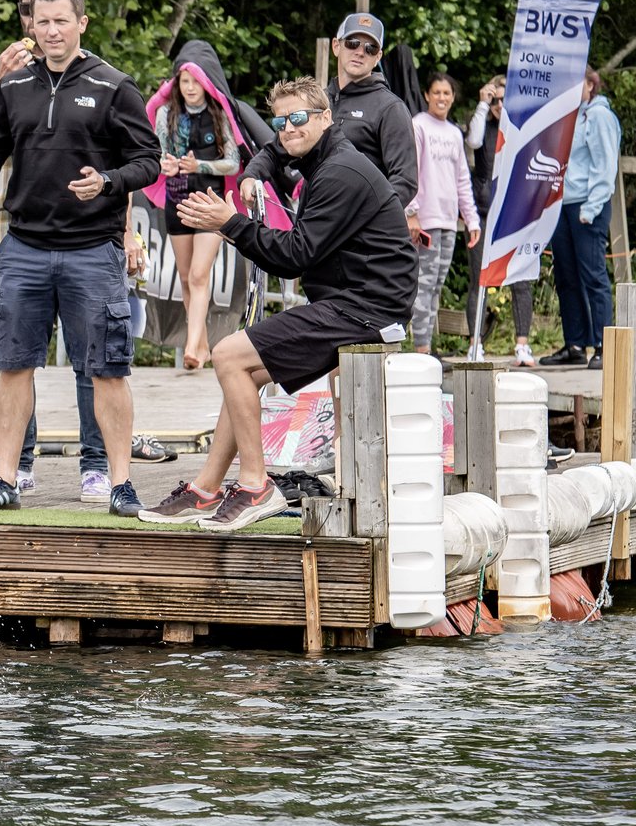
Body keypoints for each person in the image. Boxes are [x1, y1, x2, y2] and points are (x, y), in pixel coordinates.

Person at [140, 78, 416, 530]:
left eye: (299, 119)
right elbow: (271, 151)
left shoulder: (340, 173)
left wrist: (230, 223)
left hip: (366, 310)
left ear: (327, 118)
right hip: (353, 303)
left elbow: (294, 257)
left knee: (228, 353)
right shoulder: (318, 158)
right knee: (241, 373)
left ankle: (256, 485)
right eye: (281, 120)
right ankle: (206, 488)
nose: (288, 129)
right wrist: (251, 175)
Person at [0, 0, 162, 516]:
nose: (52, 30)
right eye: (42, 22)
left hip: (93, 249)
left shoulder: (114, 85)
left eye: (62, 20)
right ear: (30, 25)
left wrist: (107, 182)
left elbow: (148, 161)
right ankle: (4, 480)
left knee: (108, 368)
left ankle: (119, 484)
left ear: (81, 23)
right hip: (25, 249)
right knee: (13, 365)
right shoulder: (13, 86)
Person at [239, 12, 418, 214]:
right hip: (313, 222)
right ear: (336, 46)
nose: (360, 52)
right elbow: (275, 150)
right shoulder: (316, 101)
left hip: (359, 234)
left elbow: (405, 181)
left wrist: (366, 218)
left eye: (370, 48)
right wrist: (250, 177)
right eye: (352, 42)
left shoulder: (391, 108)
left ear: (378, 57)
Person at [151, 61, 241, 369]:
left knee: (201, 274)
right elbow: (159, 153)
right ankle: (201, 345)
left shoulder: (218, 114)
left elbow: (233, 162)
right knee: (188, 277)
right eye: (184, 81)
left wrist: (199, 166)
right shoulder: (166, 114)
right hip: (176, 200)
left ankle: (191, 344)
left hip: (209, 202)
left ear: (205, 83)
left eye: (195, 81)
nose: (189, 87)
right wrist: (166, 164)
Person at [541, 69, 622, 370]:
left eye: (578, 84)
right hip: (562, 205)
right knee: (566, 277)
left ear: (590, 85)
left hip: (588, 207)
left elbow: (605, 165)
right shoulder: (566, 117)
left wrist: (591, 208)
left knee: (593, 276)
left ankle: (605, 346)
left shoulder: (598, 116)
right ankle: (575, 344)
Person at [463, 74, 537, 365]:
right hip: (484, 211)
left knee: (520, 281)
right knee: (478, 280)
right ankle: (475, 344)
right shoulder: (486, 124)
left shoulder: (522, 128)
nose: (500, 105)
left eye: (506, 100)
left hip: (515, 213)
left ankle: (522, 345)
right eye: (496, 99)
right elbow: (473, 139)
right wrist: (483, 104)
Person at [405, 72, 480, 354]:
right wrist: (411, 211)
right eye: (436, 92)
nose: (441, 98)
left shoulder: (454, 133)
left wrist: (471, 218)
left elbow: (463, 178)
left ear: (453, 97)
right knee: (422, 284)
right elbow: (409, 170)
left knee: (436, 285)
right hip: (424, 220)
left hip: (449, 221)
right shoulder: (418, 126)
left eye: (446, 93)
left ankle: (426, 346)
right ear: (427, 95)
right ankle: (420, 348)